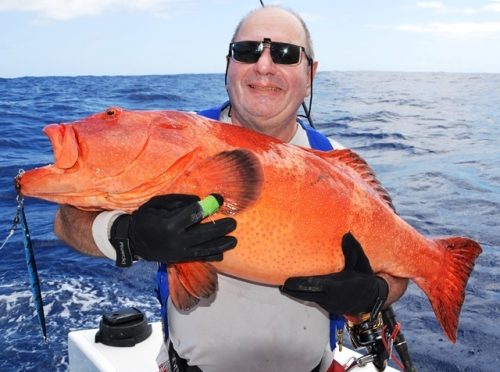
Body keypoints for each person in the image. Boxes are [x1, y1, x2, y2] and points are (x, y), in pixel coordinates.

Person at [54, 5, 408, 372]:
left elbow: (401, 263)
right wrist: (127, 236)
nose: (264, 66)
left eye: (286, 54)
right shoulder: (174, 142)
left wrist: (377, 293)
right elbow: (66, 223)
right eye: (247, 51)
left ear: (310, 74)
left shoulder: (336, 164)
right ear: (228, 65)